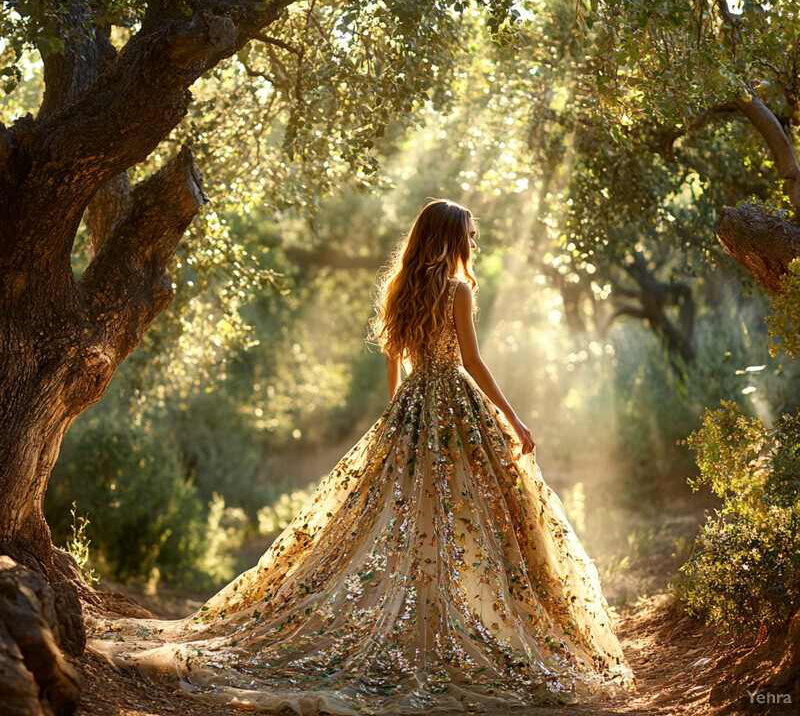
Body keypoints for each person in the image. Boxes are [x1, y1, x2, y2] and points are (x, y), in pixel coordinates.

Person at [89, 199, 635, 714]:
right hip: (451, 406)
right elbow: (472, 361)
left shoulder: (402, 287)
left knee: (412, 520)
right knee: (473, 517)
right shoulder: (457, 291)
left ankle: (429, 628)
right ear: (451, 239)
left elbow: (395, 357)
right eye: (469, 236)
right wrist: (514, 419)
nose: (474, 243)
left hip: (414, 408)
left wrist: (398, 409)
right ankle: (444, 628)